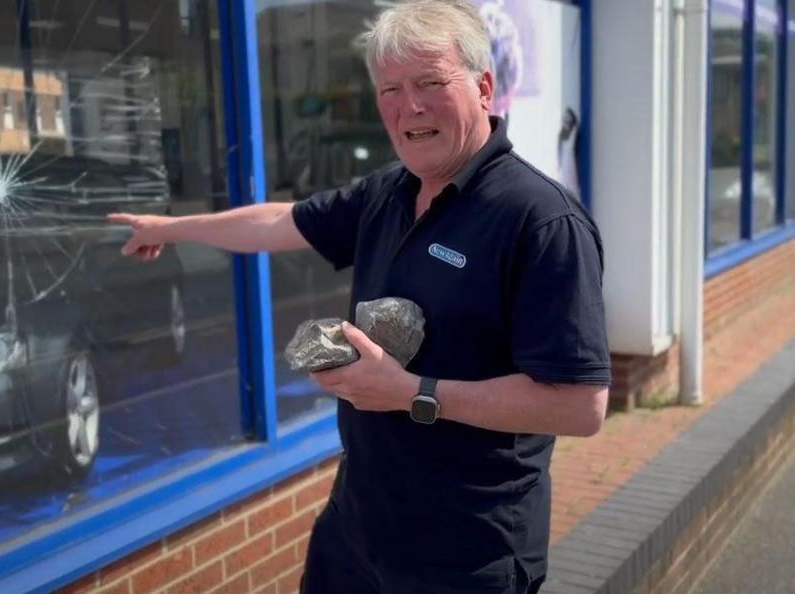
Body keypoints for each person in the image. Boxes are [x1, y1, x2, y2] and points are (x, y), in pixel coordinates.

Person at [108, 1, 610, 592]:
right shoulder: (390, 192)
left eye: (430, 82)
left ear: (483, 87)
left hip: (466, 550)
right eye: (390, 89)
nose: (409, 106)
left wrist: (411, 394)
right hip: (356, 526)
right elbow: (280, 222)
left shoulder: (541, 221)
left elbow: (579, 407)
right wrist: (171, 229)